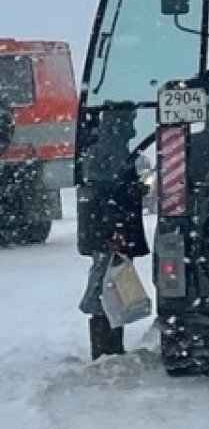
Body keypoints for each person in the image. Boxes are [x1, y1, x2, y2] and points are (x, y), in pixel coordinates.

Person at [77, 104, 148, 358]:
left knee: (111, 284)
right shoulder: (109, 152)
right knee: (106, 285)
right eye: (129, 121)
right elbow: (107, 194)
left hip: (108, 229)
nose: (132, 128)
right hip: (110, 230)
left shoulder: (107, 150)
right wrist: (116, 229)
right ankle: (105, 347)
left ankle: (108, 345)